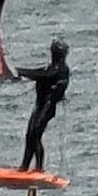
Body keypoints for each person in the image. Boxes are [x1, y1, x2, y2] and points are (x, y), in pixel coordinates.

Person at [15, 38, 70, 173]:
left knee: (35, 135)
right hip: (40, 106)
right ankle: (24, 166)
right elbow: (39, 72)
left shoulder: (60, 69)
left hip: (47, 107)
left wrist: (20, 72)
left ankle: (39, 168)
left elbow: (42, 75)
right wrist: (17, 71)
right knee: (30, 136)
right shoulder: (52, 68)